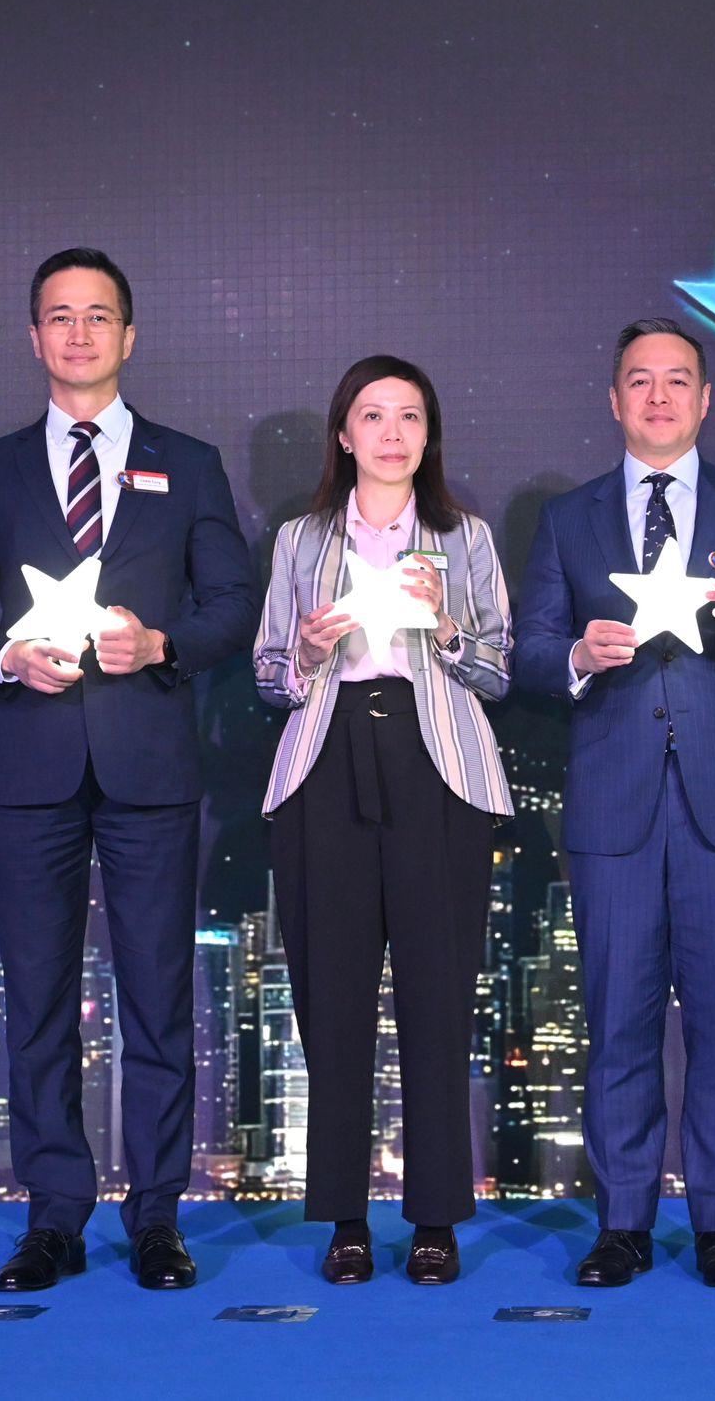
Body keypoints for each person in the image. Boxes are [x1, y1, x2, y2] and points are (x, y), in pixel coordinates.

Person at [0, 247, 257, 1291]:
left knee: (159, 999)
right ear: (34, 337)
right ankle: (54, 1218)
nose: (78, 333)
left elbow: (231, 607)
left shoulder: (188, 462)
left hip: (151, 765)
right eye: (58, 316)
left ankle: (157, 1218)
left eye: (97, 315)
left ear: (129, 334)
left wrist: (160, 645)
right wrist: (3, 657)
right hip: (30, 768)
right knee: (37, 1001)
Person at [514, 318, 715, 1287]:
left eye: (677, 381)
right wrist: (574, 655)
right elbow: (526, 653)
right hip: (612, 806)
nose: (657, 397)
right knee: (615, 1021)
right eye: (638, 382)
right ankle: (622, 1225)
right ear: (613, 401)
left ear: (704, 401)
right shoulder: (569, 520)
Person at [253, 355, 513, 1286]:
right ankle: (345, 1221)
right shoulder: (300, 541)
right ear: (344, 434)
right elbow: (268, 678)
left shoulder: (465, 537)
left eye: (410, 416)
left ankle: (437, 1218)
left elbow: (496, 671)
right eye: (374, 415)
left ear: (428, 435)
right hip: (326, 762)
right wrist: (310, 653)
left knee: (439, 998)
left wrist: (444, 628)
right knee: (333, 1000)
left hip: (434, 764)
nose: (393, 433)